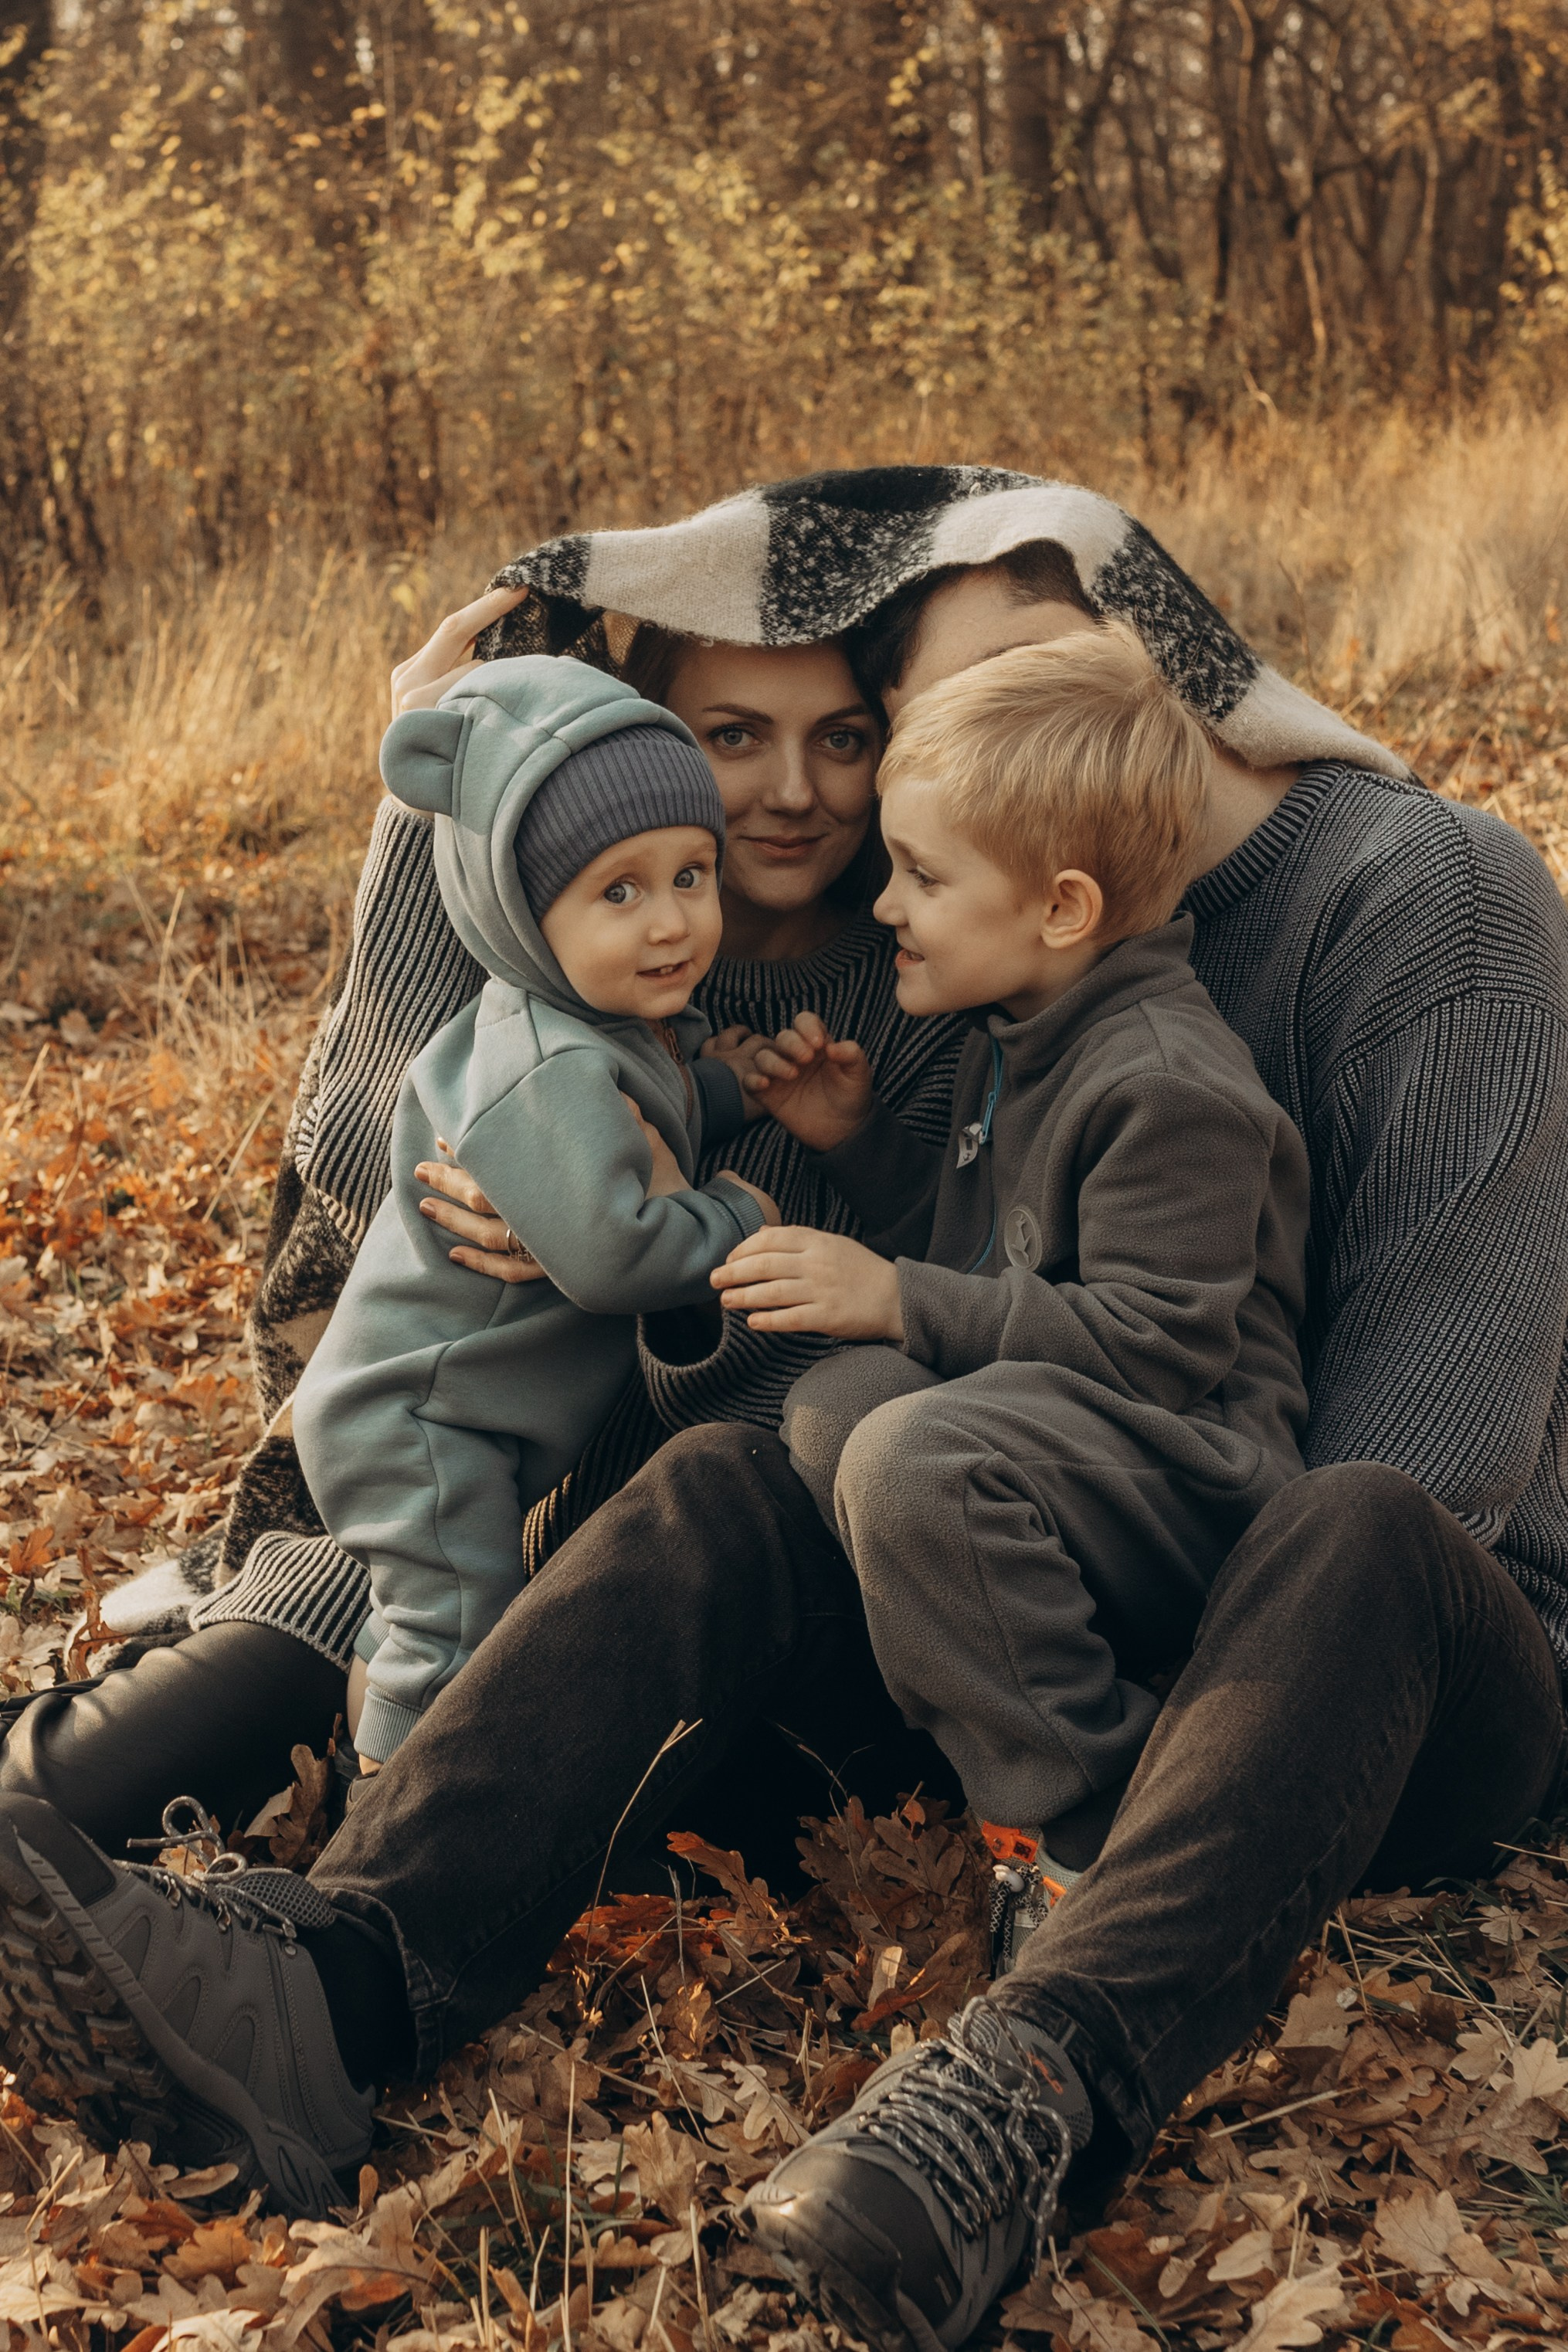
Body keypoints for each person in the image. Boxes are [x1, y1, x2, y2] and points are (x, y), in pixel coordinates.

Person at [0, 467, 1562, 2323]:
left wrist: (941, 1421)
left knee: (1348, 1520)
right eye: (930, 725)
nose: (951, 762)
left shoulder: (1419, 892)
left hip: (1387, 1663)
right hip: (1064, 1593)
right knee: (746, 1476)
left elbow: (1434, 1463)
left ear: (1162, 658)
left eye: (1018, 685)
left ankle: (1029, 2085)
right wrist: (442, 849)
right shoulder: (994, 939)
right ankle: (337, 1980)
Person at [0, 605, 962, 1850]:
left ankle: (339, 1883)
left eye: (840, 736)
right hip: (427, 1507)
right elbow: (344, 1213)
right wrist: (425, 802)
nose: (789, 790)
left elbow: (854, 1341)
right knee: (89, 1783)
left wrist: (650, 1262)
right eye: (732, 734)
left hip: (635, 1574)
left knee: (417, 1773)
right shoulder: (568, 937)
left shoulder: (920, 979)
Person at [725, 626, 1308, 1945]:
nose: (884, 904)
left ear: (1059, 908)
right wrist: (864, 1149)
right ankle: (1003, 1692)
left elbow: (1154, 1350)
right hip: (1064, 1448)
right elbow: (1001, 1262)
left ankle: (1087, 1821)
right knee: (834, 1408)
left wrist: (896, 1294)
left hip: (1198, 1476)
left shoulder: (1164, 1079)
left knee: (908, 1459)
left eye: (922, 874)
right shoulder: (1019, 1028)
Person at [293, 657, 776, 1766]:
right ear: (522, 908)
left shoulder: (594, 1022)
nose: (671, 923)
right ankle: (395, 1837)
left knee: (419, 1619)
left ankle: (356, 1785)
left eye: (691, 875)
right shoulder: (541, 1064)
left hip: (449, 1408)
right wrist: (735, 1219)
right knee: (458, 1632)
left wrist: (725, 1087)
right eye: (619, 891)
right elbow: (612, 1251)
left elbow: (637, 1123)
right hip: (417, 1417)